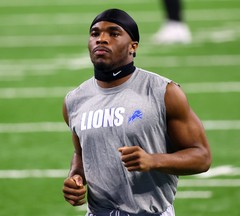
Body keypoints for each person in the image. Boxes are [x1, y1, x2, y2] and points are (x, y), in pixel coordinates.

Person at [62, 8, 211, 216]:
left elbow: (202, 156)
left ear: (133, 47)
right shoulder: (75, 100)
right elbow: (81, 153)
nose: (101, 39)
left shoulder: (164, 92)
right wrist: (76, 177)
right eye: (95, 33)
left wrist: (153, 160)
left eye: (113, 33)